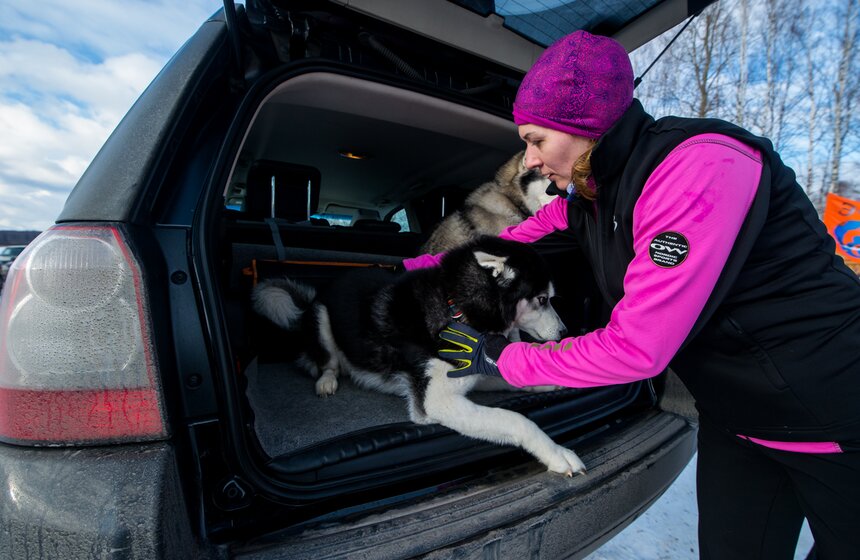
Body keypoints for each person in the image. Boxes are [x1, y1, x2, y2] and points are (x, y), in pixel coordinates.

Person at [404, 30, 860, 559]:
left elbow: (638, 347)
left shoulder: (699, 167)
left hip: (833, 411)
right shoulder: (591, 196)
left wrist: (501, 357)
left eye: (535, 139)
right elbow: (497, 240)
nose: (528, 160)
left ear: (584, 127)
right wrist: (404, 269)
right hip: (738, 415)